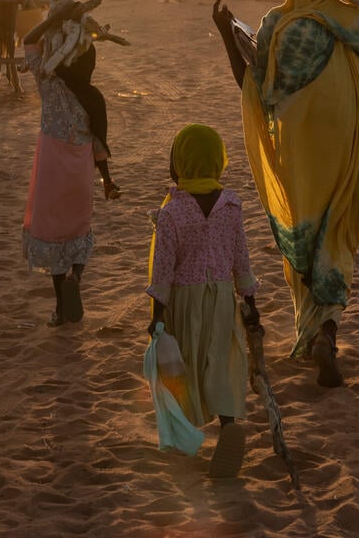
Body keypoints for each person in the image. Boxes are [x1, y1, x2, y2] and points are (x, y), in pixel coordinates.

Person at [211, 0, 359, 387]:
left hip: (299, 152)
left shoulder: (276, 24)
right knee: (336, 231)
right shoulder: (346, 17)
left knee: (306, 231)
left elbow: (252, 85)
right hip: (341, 142)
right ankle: (327, 333)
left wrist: (226, 33)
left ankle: (318, 328)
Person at [146, 123, 260, 478]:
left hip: (184, 302)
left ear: (179, 162)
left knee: (185, 369)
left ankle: (187, 431)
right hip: (223, 300)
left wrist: (156, 316)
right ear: (217, 161)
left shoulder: (171, 213)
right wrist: (251, 300)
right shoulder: (232, 205)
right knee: (221, 365)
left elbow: (162, 272)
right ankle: (228, 424)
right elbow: (241, 256)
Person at [21, 0, 121, 327]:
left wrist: (53, 18)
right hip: (79, 170)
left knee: (53, 234)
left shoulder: (47, 81)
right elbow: (98, 143)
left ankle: (60, 309)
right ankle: (76, 277)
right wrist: (107, 179)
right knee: (79, 231)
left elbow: (28, 41)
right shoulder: (92, 99)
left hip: (51, 165)